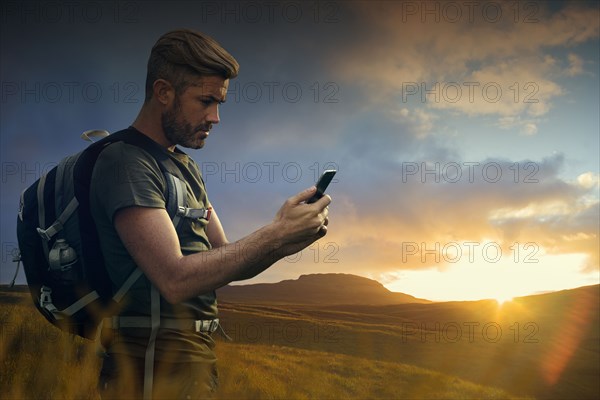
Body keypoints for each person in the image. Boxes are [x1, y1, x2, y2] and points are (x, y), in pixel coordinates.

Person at [90, 29, 331, 399]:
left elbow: (225, 261)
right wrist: (276, 234)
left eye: (219, 103)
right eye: (205, 101)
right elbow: (173, 279)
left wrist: (286, 237)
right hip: (149, 367)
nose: (215, 117)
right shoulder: (125, 162)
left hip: (194, 361)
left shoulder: (186, 168)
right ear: (163, 92)